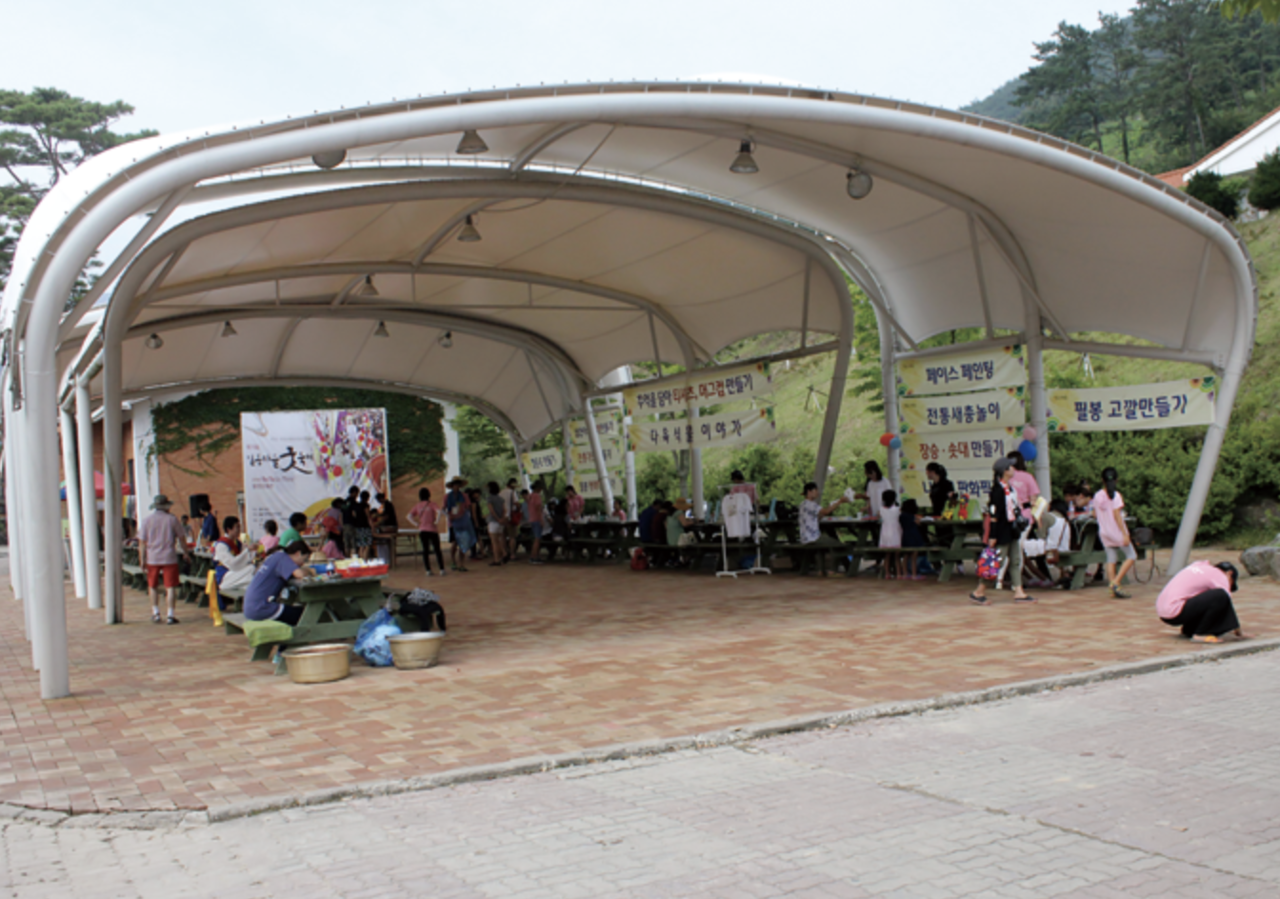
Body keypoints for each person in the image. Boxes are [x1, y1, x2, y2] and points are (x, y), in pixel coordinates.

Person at [970, 458, 1035, 605]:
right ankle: (979, 591)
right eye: (1010, 467)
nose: (1013, 469)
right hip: (1002, 531)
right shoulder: (998, 490)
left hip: (1012, 529)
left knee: (1015, 560)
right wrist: (993, 535)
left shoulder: (1009, 488)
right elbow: (994, 515)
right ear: (1005, 471)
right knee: (997, 561)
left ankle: (1019, 592)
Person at [1157, 560, 1252, 643]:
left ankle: (1190, 629)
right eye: (1231, 584)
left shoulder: (1199, 567)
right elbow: (1226, 599)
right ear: (1230, 574)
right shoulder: (1219, 575)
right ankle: (1201, 633)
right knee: (1220, 595)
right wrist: (1238, 631)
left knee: (1208, 597)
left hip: (1164, 611)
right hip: (1176, 611)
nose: (1229, 587)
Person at [138, 494, 192, 625]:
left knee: (152, 585)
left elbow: (142, 543)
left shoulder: (146, 521)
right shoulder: (172, 519)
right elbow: (182, 538)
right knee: (170, 586)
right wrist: (186, 553)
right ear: (167, 506)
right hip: (169, 557)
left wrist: (142, 559)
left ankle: (156, 613)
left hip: (152, 557)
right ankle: (170, 615)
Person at [243, 539, 313, 626]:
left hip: (251, 607)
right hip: (261, 608)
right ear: (298, 553)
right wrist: (310, 571)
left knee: (298, 612)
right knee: (306, 615)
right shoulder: (284, 558)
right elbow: (300, 574)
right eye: (304, 560)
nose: (302, 564)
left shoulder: (276, 556)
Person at [1093, 467, 1137, 599]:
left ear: (1102, 480)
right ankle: (1116, 582)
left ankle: (1112, 589)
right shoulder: (1116, 496)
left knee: (1111, 558)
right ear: (1116, 480)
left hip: (1104, 532)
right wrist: (1125, 533)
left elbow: (1095, 514)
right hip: (1116, 532)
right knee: (1131, 555)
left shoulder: (1097, 495)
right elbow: (1117, 515)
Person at [213, 516, 256, 596]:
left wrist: (250, 550)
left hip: (235, 572)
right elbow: (232, 564)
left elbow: (244, 558)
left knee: (253, 573)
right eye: (237, 527)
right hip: (225, 576)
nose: (239, 530)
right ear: (228, 529)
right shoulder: (221, 545)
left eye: (239, 527)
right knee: (252, 570)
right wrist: (247, 551)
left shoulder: (237, 543)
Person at [407, 487, 445, 576]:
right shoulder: (432, 504)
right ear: (429, 495)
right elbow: (439, 512)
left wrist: (416, 524)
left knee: (425, 550)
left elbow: (409, 516)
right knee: (437, 550)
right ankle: (441, 569)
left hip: (423, 530)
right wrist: (436, 521)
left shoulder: (417, 506)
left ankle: (428, 570)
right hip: (432, 529)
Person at [445, 478, 475, 571]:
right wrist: (450, 515)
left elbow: (468, 507)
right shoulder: (447, 497)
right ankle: (453, 561)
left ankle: (462, 564)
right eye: (455, 484)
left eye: (458, 484)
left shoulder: (464, 496)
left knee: (463, 543)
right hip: (453, 523)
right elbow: (444, 508)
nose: (456, 486)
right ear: (452, 486)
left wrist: (463, 513)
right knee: (455, 542)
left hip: (463, 522)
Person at [878, 489, 904, 579]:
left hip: (885, 533)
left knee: (887, 555)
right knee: (897, 556)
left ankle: (887, 574)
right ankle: (899, 574)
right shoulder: (898, 509)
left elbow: (878, 517)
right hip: (895, 533)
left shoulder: (881, 509)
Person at [899, 498, 926, 580]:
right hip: (914, 536)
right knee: (914, 556)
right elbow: (919, 523)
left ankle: (905, 573)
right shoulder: (912, 516)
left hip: (905, 536)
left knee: (906, 555)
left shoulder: (902, 516)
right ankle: (914, 574)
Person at [486, 481, 509, 566]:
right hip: (500, 522)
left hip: (493, 521)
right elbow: (504, 510)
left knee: (494, 542)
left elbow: (492, 511)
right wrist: (502, 519)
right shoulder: (500, 499)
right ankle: (503, 553)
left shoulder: (489, 499)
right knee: (498, 540)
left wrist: (497, 519)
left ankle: (497, 559)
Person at [500, 479, 522, 557]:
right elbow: (517, 503)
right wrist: (519, 510)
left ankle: (504, 553)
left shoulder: (501, 492)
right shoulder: (512, 492)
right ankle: (512, 554)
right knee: (512, 537)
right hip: (510, 517)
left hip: (502, 517)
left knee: (503, 536)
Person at [526, 480, 546, 564]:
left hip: (532, 518)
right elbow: (538, 508)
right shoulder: (537, 496)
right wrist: (541, 520)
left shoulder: (530, 496)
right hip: (537, 519)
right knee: (537, 539)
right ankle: (533, 557)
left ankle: (535, 556)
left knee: (535, 538)